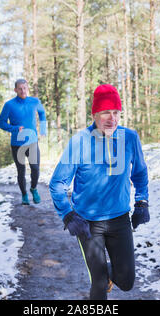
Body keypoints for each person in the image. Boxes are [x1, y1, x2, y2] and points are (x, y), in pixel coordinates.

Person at [49, 84, 150, 300]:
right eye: (106, 112)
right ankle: (102, 279)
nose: (111, 118)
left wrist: (142, 202)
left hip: (120, 219)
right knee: (99, 281)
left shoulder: (130, 138)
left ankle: (111, 273)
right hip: (87, 224)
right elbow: (57, 183)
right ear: (94, 114)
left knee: (126, 280)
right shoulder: (79, 142)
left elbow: (140, 173)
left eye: (116, 112)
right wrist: (68, 215)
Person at [0, 79, 47, 205]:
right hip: (17, 144)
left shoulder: (35, 101)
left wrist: (43, 129)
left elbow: (42, 113)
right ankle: (24, 194)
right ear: (15, 90)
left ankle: (33, 188)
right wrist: (14, 128)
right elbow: (1, 123)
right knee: (21, 170)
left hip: (32, 142)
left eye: (25, 88)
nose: (23, 90)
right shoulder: (9, 105)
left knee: (35, 168)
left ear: (27, 88)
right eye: (20, 88)